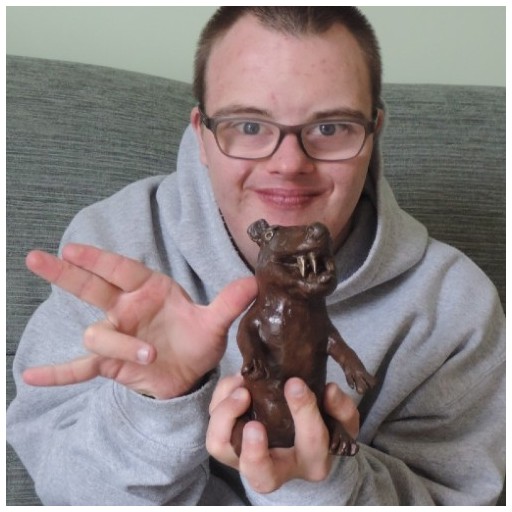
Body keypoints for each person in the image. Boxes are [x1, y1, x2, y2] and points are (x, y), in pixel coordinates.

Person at [6, 7, 505, 506]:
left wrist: (325, 486)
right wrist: (154, 409)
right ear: (202, 133)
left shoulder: (454, 308)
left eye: (330, 128)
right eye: (249, 126)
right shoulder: (117, 245)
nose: (289, 164)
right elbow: (65, 491)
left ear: (374, 133)